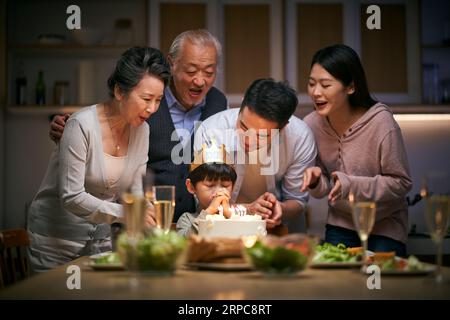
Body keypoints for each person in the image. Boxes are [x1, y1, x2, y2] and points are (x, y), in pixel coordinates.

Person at [49, 30, 227, 221]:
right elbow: (104, 123)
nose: (200, 81)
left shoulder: (218, 103)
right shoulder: (139, 102)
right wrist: (70, 128)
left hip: (192, 218)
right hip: (141, 218)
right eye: (191, 71)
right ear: (172, 64)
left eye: (209, 72)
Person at [27, 47, 171, 272]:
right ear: (119, 91)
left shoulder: (142, 131)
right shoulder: (80, 125)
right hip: (56, 240)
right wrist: (129, 213)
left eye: (159, 100)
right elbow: (71, 196)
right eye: (146, 98)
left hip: (100, 240)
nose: (152, 108)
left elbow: (136, 193)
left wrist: (147, 214)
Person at [300, 44, 412, 256]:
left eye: (325, 85)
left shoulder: (381, 122)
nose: (316, 92)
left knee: (380, 282)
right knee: (336, 282)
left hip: (384, 224)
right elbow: (325, 187)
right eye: (311, 83)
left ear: (350, 87)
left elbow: (401, 182)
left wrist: (349, 184)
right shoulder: (312, 124)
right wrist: (316, 181)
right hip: (341, 222)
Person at [194, 78, 317, 231]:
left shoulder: (300, 137)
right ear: (241, 108)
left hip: (280, 232)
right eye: (243, 127)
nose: (248, 139)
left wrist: (280, 208)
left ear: (282, 128)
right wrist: (249, 209)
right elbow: (205, 197)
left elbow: (297, 200)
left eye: (261, 135)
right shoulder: (212, 130)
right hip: (220, 228)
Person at [176, 161, 237, 237]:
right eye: (210, 186)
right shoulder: (188, 218)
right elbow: (183, 243)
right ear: (191, 187)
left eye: (225, 186)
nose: (218, 192)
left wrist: (229, 216)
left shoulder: (238, 216)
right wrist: (209, 211)